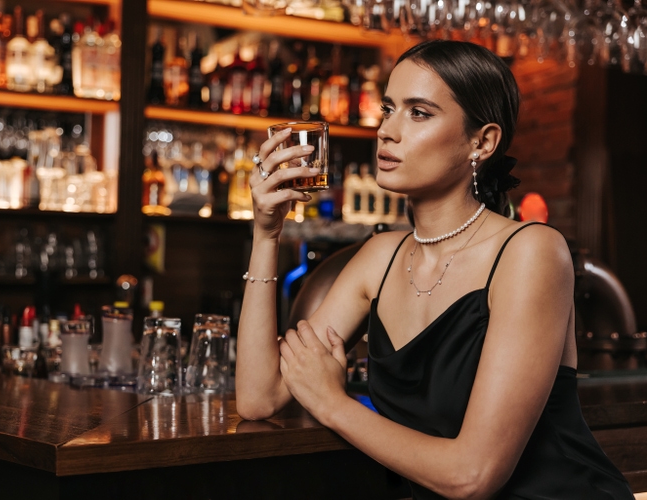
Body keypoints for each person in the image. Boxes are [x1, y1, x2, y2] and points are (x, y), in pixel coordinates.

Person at [235, 40, 634, 499]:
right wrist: (266, 235)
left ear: (481, 142)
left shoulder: (532, 251)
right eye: (388, 109)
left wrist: (332, 404)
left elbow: (473, 475)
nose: (387, 130)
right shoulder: (379, 257)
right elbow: (258, 397)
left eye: (419, 113)